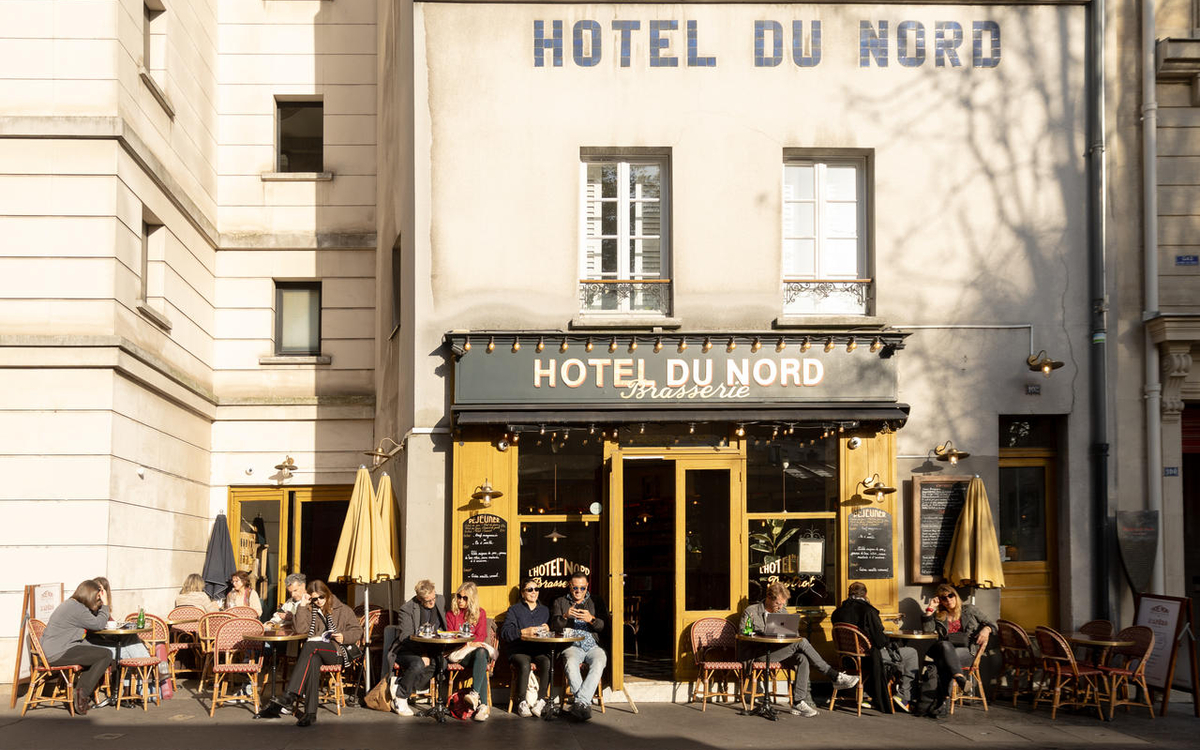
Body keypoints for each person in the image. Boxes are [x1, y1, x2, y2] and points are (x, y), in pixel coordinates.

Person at [738, 581, 859, 717]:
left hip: (778, 651)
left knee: (802, 658)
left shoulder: (782, 611)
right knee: (802, 642)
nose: (781, 606)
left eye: (783, 604)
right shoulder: (752, 611)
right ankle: (834, 675)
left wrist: (789, 632)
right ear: (769, 598)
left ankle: (798, 702)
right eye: (778, 603)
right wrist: (762, 632)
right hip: (758, 653)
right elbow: (743, 633)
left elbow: (792, 633)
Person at [255, 579, 362, 726]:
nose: (318, 601)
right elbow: (300, 630)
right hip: (317, 652)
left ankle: (288, 697)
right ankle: (310, 714)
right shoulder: (310, 609)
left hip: (337, 652)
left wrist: (344, 636)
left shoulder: (343, 609)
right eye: (314, 598)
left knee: (311, 646)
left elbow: (357, 631)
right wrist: (303, 605)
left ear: (327, 594)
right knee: (312, 660)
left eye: (321, 597)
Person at [831, 581, 919, 713]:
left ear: (849, 594)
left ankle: (867, 695)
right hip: (869, 658)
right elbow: (880, 641)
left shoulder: (837, 612)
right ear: (866, 594)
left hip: (847, 658)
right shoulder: (868, 611)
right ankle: (903, 696)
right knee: (910, 653)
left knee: (893, 657)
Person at [40, 580, 114, 715]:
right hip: (58, 652)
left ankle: (82, 692)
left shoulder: (72, 605)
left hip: (58, 649)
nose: (98, 600)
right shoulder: (77, 609)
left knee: (101, 653)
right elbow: (99, 624)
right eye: (97, 597)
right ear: (91, 595)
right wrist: (106, 604)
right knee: (106, 654)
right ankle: (82, 693)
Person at [921, 583, 995, 718]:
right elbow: (927, 631)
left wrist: (987, 629)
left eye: (951, 595)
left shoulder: (970, 610)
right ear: (941, 601)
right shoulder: (939, 616)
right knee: (945, 647)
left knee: (944, 664)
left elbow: (993, 624)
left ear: (956, 596)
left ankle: (941, 704)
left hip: (966, 651)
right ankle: (959, 679)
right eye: (944, 598)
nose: (948, 600)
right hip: (943, 650)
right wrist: (930, 609)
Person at [550, 572, 606, 721]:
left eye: (582, 588)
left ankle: (580, 703)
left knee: (599, 662)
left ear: (587, 586)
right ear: (570, 586)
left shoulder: (596, 601)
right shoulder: (560, 602)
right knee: (570, 662)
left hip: (593, 645)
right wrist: (565, 616)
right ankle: (583, 704)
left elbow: (604, 626)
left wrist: (591, 619)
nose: (579, 591)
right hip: (572, 645)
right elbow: (554, 626)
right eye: (575, 588)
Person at [387, 579, 447, 716]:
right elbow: (406, 636)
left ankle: (401, 685)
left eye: (433, 598)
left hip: (432, 648)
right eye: (428, 601)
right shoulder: (407, 609)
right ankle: (401, 697)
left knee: (442, 664)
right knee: (418, 664)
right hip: (408, 648)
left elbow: (443, 626)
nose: (432, 602)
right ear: (419, 599)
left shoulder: (440, 600)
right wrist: (422, 653)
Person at [500, 577, 551, 718]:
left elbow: (551, 632)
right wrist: (522, 632)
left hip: (538, 648)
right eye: (530, 590)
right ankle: (521, 701)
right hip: (519, 648)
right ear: (523, 593)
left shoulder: (545, 610)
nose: (534, 592)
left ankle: (541, 701)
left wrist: (548, 628)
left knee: (547, 662)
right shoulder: (514, 610)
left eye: (536, 589)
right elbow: (505, 632)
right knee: (524, 664)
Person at [445, 581, 494, 721]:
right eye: (459, 596)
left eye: (465, 598)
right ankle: (482, 705)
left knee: (481, 653)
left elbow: (481, 636)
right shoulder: (451, 614)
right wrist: (468, 643)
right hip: (459, 654)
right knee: (481, 655)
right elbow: (451, 635)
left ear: (471, 599)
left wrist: (469, 643)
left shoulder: (480, 613)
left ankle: (475, 696)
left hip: (474, 653)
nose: (460, 600)